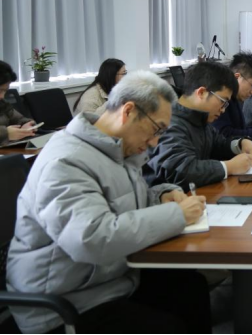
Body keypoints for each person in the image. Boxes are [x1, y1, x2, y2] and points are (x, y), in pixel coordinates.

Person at [6, 72, 212, 334]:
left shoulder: (113, 149)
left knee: (190, 288)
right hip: (63, 304)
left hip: (105, 281)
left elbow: (119, 202)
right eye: (156, 129)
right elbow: (91, 238)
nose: (155, 142)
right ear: (128, 111)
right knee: (167, 327)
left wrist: (160, 195)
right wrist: (176, 215)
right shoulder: (66, 161)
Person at [145, 61, 252, 190]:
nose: (223, 110)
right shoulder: (170, 124)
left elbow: (219, 144)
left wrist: (240, 143)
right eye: (223, 101)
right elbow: (181, 171)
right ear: (202, 93)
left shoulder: (199, 119)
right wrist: (228, 167)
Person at [0, 60, 37, 145]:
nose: (2, 96)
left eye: (5, 91)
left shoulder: (2, 103)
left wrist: (27, 124)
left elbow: (19, 119)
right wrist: (6, 133)